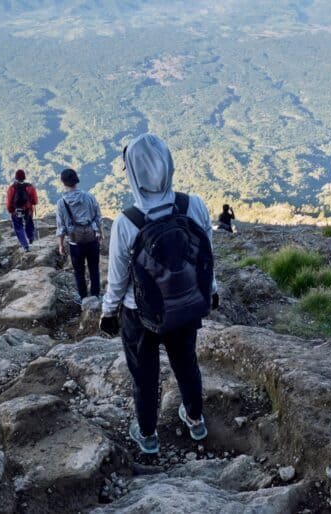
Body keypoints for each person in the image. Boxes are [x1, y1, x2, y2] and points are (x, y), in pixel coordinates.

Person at [99, 134, 219, 454]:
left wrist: (108, 312)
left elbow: (118, 278)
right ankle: (195, 419)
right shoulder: (193, 204)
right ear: (169, 164)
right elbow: (206, 255)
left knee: (145, 374)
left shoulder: (127, 222)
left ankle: (148, 435)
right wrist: (212, 291)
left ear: (132, 173)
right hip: (185, 304)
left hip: (140, 313)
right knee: (186, 363)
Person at [56, 168, 103, 302]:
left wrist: (60, 245)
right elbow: (98, 217)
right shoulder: (89, 196)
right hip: (92, 238)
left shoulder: (61, 203)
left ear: (63, 182)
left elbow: (61, 227)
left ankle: (83, 297)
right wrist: (101, 233)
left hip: (75, 242)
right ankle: (96, 295)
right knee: (94, 268)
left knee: (79, 271)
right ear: (76, 179)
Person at [6, 169, 38, 251]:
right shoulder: (30, 187)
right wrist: (32, 203)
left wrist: (10, 210)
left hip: (16, 210)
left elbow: (9, 201)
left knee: (18, 227)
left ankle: (25, 245)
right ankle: (30, 238)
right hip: (28, 209)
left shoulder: (12, 188)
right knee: (29, 223)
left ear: (16, 178)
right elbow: (35, 200)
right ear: (24, 177)